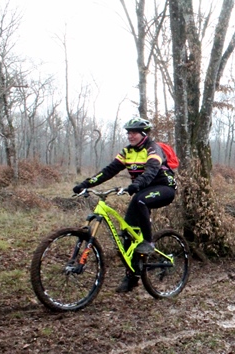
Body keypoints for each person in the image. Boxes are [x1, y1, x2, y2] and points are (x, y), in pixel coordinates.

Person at [72, 117, 177, 293]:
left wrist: (137, 184)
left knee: (140, 199)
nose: (130, 136)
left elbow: (151, 171)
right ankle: (132, 276)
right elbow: (109, 171)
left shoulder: (153, 149)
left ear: (143, 134)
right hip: (142, 190)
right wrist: (85, 184)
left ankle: (148, 242)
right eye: (128, 133)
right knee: (127, 234)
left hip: (164, 188)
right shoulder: (127, 151)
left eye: (134, 132)